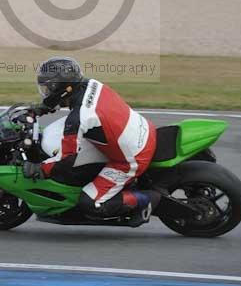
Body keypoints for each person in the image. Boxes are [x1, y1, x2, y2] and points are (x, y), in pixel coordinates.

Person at [23, 57, 160, 227]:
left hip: (132, 157)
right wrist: (43, 108)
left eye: (48, 88)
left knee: (90, 203)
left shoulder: (79, 117)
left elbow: (67, 159)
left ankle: (146, 198)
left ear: (63, 88)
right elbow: (66, 100)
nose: (46, 93)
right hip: (139, 129)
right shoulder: (89, 84)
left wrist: (40, 168)